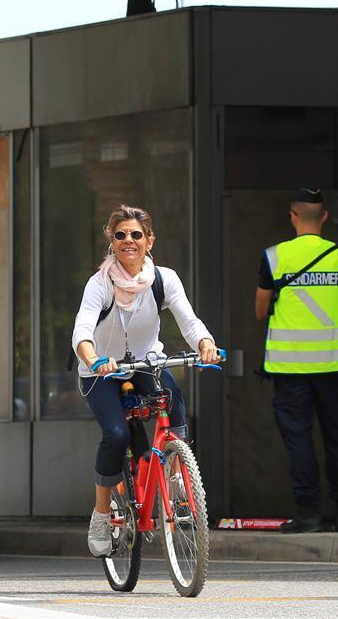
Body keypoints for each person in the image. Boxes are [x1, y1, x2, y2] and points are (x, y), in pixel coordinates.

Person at [72, 204, 221, 557]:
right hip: (101, 372)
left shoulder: (164, 279)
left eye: (136, 235)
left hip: (144, 364)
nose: (129, 241)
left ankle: (175, 472)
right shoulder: (100, 284)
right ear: (112, 239)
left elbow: (189, 320)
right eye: (121, 234)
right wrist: (93, 359)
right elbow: (82, 329)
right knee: (118, 434)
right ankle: (102, 512)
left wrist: (205, 343)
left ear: (149, 241)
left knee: (173, 399)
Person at [255, 188, 338, 533]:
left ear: (293, 216)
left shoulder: (274, 257)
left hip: (290, 368)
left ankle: (309, 514)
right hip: (333, 365)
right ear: (325, 218)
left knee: (300, 439)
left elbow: (260, 312)